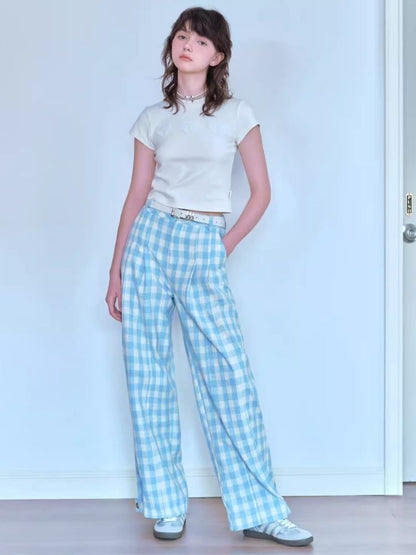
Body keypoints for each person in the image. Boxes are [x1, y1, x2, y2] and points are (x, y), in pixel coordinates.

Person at [105, 6, 313, 548]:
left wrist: (223, 245)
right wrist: (117, 268)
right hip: (150, 240)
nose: (187, 45)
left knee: (229, 376)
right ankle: (165, 504)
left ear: (218, 55)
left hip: (204, 240)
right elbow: (136, 194)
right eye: (181, 36)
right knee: (148, 377)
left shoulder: (237, 113)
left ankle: (261, 510)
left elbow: (261, 193)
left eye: (199, 40)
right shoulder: (152, 118)